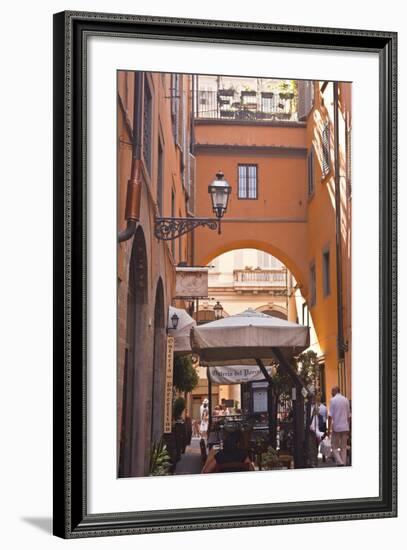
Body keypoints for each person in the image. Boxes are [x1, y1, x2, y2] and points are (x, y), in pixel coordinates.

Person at [327, 385, 351, 466]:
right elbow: (349, 416)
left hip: (337, 427)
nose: (331, 393)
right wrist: (349, 427)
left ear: (335, 391)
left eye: (331, 391)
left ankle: (340, 462)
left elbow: (330, 416)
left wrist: (328, 429)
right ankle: (343, 464)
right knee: (343, 448)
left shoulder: (333, 400)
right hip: (345, 427)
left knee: (334, 447)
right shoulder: (346, 400)